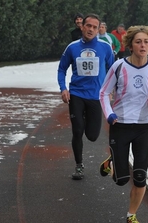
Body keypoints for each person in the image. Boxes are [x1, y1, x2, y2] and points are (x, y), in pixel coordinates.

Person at [99, 25, 148, 223]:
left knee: (140, 176)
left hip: (142, 127)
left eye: (146, 42)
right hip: (120, 125)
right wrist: (109, 114)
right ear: (130, 45)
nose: (143, 45)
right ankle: (111, 162)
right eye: (138, 41)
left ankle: (132, 216)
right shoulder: (119, 67)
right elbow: (104, 93)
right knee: (121, 180)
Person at [57, 14, 115, 180]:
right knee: (77, 130)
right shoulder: (72, 47)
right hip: (76, 94)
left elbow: (113, 69)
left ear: (98, 29)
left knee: (92, 135)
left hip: (96, 96)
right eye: (88, 25)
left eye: (94, 27)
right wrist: (63, 88)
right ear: (82, 26)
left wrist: (112, 89)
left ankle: (84, 118)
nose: (90, 29)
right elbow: (62, 69)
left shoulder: (104, 47)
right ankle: (79, 165)